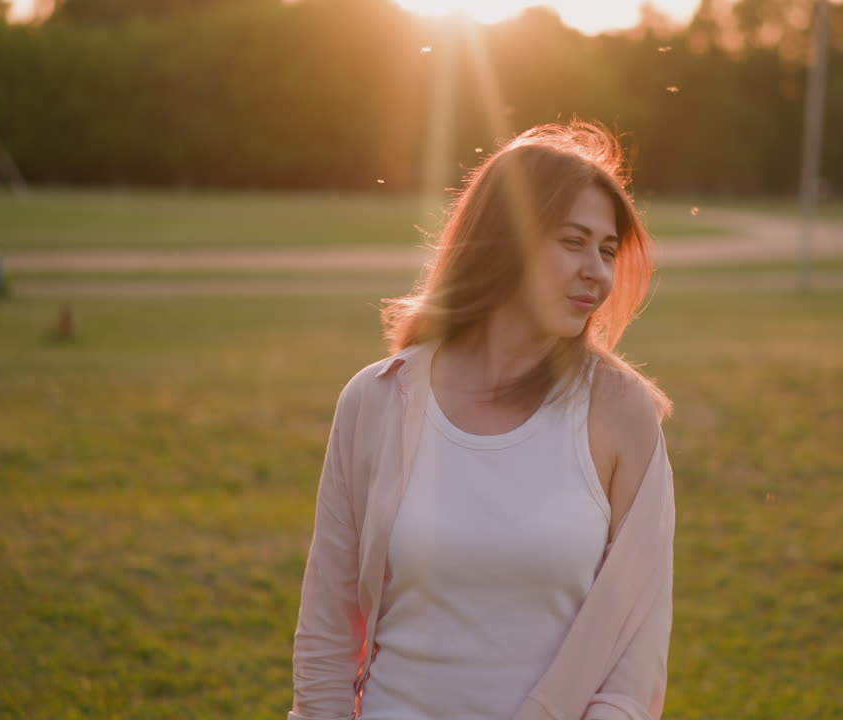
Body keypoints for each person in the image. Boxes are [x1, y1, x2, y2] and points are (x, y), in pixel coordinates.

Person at [289, 121, 677, 720]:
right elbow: (327, 632)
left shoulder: (622, 413)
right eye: (573, 242)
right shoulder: (376, 399)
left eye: (606, 250)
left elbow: (636, 655)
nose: (598, 273)